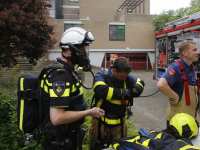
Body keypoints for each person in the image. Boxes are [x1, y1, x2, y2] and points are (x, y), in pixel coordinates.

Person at [40, 27, 105, 150]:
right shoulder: (60, 76)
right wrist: (89, 112)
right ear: (70, 50)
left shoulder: (67, 71)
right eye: (81, 49)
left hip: (67, 138)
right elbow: (57, 118)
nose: (84, 53)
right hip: (59, 142)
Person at [89, 57, 145, 150]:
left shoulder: (126, 77)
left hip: (120, 124)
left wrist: (136, 90)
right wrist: (123, 93)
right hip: (100, 122)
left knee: (120, 148)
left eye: (126, 76)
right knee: (95, 146)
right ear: (114, 70)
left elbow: (140, 82)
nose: (125, 78)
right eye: (122, 76)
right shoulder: (102, 75)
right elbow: (100, 90)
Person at [157, 40, 200, 124]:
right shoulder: (176, 67)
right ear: (185, 53)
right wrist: (175, 96)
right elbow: (161, 84)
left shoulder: (191, 67)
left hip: (192, 115)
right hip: (179, 119)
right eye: (194, 50)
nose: (198, 52)